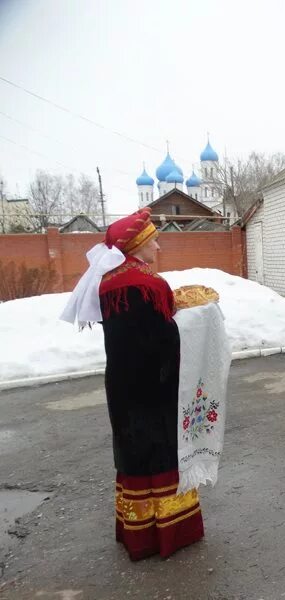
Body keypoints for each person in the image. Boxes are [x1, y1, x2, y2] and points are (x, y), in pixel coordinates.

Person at [61, 208, 204, 560]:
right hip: (154, 386)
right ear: (139, 243)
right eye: (153, 238)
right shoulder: (146, 282)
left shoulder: (111, 278)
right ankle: (169, 533)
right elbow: (162, 338)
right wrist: (191, 319)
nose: (158, 244)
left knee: (134, 455)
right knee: (160, 452)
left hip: (124, 383)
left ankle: (138, 532)